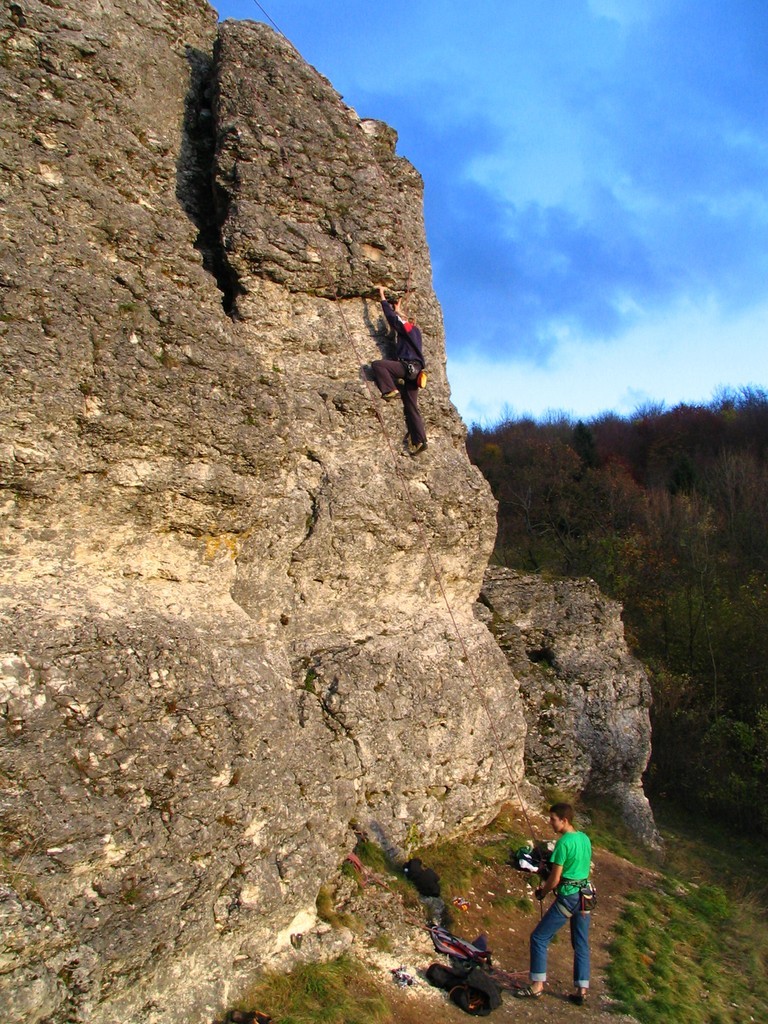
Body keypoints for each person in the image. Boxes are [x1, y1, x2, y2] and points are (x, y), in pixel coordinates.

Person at [514, 803, 593, 1005]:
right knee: (581, 943)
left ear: (564, 820)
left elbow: (555, 879)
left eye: (553, 819)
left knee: (539, 937)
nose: (551, 823)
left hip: (568, 897)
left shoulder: (563, 843)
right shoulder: (584, 838)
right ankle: (582, 990)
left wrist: (542, 892)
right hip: (585, 897)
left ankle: (537, 986)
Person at [371, 285, 427, 456]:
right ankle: (420, 440)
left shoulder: (408, 328)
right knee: (411, 406)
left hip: (407, 367)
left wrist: (382, 297)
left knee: (378, 365)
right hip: (416, 373)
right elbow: (399, 318)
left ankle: (390, 389)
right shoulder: (416, 333)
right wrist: (399, 309)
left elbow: (393, 319)